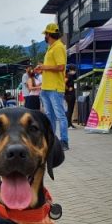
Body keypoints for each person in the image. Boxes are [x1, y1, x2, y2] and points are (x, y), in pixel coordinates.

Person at [35, 22, 69, 150]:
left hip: (55, 88)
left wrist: (44, 67)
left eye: (46, 34)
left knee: (59, 115)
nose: (45, 36)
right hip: (47, 87)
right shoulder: (51, 47)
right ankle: (51, 140)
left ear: (49, 34)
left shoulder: (59, 47)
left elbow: (61, 67)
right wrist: (42, 70)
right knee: (50, 116)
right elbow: (53, 67)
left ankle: (64, 141)